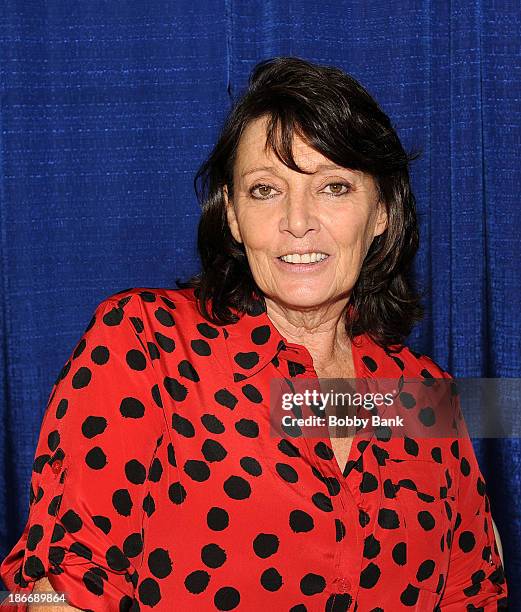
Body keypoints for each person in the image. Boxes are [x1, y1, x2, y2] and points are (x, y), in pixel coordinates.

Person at [0, 56, 508, 611]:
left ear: (382, 210)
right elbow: (59, 589)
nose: (298, 219)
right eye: (266, 190)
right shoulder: (147, 344)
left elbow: (473, 587)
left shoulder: (421, 394)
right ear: (234, 217)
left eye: (334, 186)